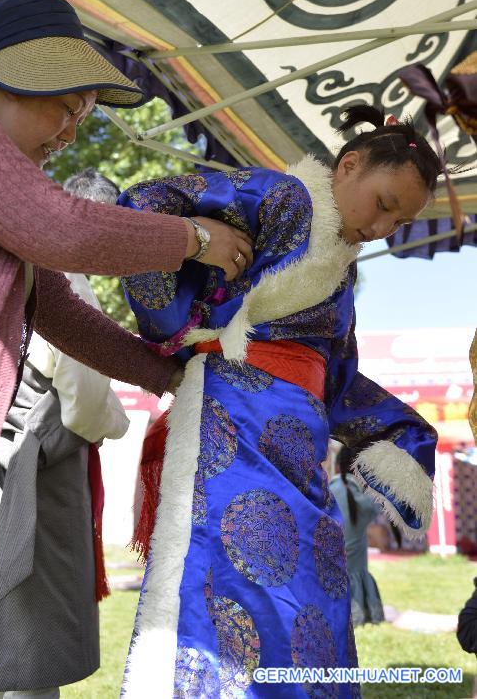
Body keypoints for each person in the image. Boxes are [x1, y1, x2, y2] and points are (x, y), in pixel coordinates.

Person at [0, 0, 252, 699]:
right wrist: (195, 239)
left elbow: (54, 306)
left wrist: (172, 375)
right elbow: (65, 232)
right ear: (10, 76)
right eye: (68, 106)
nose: (71, 131)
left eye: (83, 115)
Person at [117, 105, 441, 698]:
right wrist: (198, 242)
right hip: (230, 425)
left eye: (401, 220)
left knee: (314, 596)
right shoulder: (277, 195)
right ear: (348, 166)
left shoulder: (340, 278)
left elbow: (339, 382)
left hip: (299, 446)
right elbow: (144, 202)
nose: (384, 226)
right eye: (385, 202)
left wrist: (408, 434)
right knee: (234, 588)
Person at [0, 168, 128, 699]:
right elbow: (86, 404)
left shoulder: (7, 268)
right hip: (37, 471)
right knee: (31, 646)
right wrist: (120, 419)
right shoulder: (68, 284)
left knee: (1, 639)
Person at [330, 446, 384, 626]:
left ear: (337, 466)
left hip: (331, 574)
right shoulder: (364, 499)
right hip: (355, 573)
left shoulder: (328, 492)